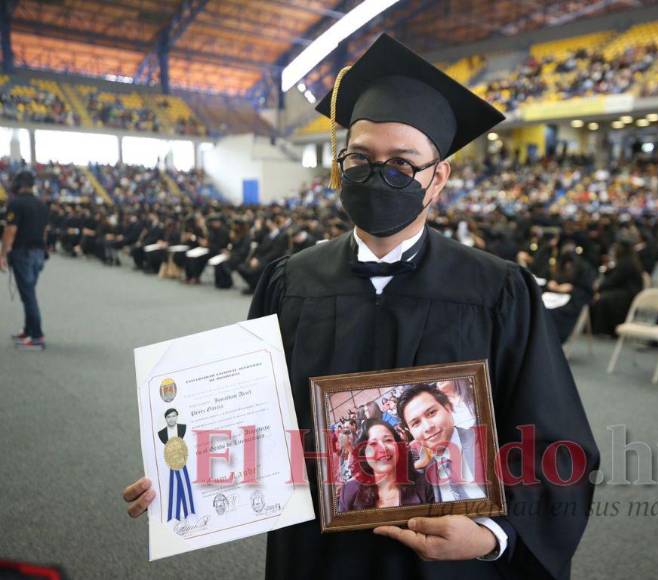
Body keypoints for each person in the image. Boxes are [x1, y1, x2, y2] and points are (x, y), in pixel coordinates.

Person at [124, 34, 599, 579]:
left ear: (437, 178)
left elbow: (557, 444)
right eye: (360, 159)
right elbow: (252, 422)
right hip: (314, 554)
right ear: (339, 162)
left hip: (443, 562)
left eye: (402, 164)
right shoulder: (291, 282)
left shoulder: (497, 292)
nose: (379, 176)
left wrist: (493, 535)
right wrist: (188, 475)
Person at [338, 418, 434, 512]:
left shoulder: (425, 485)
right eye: (373, 443)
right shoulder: (349, 493)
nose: (383, 448)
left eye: (388, 440)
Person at [0, 170, 49, 351]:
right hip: (38, 254)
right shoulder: (42, 205)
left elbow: (10, 231)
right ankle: (29, 330)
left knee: (28, 296)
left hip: (23, 253)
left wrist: (2, 254)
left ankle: (36, 337)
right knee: (28, 293)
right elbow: (45, 232)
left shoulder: (16, 203)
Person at [591, 239, 644, 337]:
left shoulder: (626, 263)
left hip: (628, 295)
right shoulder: (628, 261)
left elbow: (614, 280)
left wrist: (598, 287)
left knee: (603, 299)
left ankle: (603, 329)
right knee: (604, 296)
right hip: (624, 291)